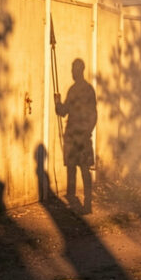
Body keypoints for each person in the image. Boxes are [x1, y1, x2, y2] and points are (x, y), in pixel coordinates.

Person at [55, 58, 97, 213]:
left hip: (79, 137)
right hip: (76, 137)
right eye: (72, 69)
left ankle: (84, 204)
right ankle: (80, 203)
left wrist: (86, 133)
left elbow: (93, 115)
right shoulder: (80, 90)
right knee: (76, 170)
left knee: (81, 170)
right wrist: (58, 104)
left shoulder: (81, 90)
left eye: (74, 69)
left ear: (80, 71)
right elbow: (64, 111)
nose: (72, 72)